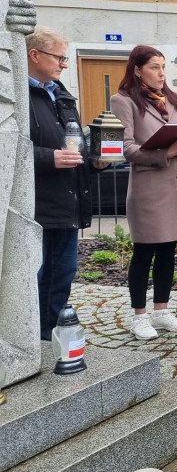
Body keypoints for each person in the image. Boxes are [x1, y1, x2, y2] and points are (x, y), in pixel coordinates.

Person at [110, 45, 177, 340]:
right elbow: (125, 148)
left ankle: (161, 311)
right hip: (149, 188)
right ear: (137, 70)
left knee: (168, 251)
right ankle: (139, 317)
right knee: (144, 252)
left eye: (163, 67)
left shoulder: (172, 99)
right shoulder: (122, 100)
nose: (161, 73)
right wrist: (166, 151)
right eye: (154, 67)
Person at [27, 28, 107, 340]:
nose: (64, 64)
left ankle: (51, 334)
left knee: (63, 274)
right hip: (36, 207)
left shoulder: (61, 95)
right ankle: (30, 338)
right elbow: (8, 148)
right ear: (35, 56)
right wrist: (49, 158)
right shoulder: (16, 95)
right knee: (36, 276)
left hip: (68, 204)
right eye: (59, 57)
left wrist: (94, 163)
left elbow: (74, 147)